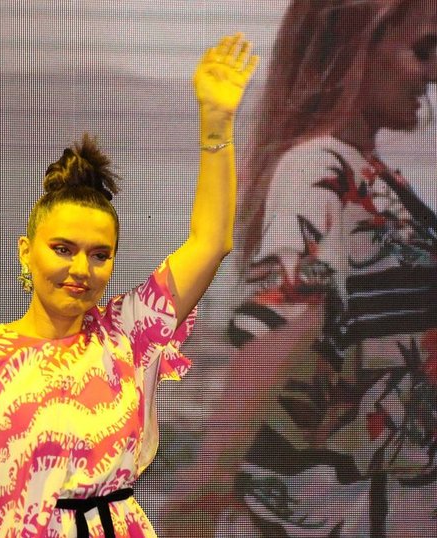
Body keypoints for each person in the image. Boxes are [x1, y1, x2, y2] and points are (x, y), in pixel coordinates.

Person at [0, 34, 257, 537]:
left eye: (100, 255)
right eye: (63, 249)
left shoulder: (127, 334)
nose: (82, 268)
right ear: (26, 251)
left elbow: (210, 243)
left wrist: (216, 124)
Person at [163, 0, 437, 536]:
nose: (433, 73)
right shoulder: (322, 169)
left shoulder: (373, 180)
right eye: (422, 50)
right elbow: (276, 329)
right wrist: (198, 498)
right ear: (358, 46)